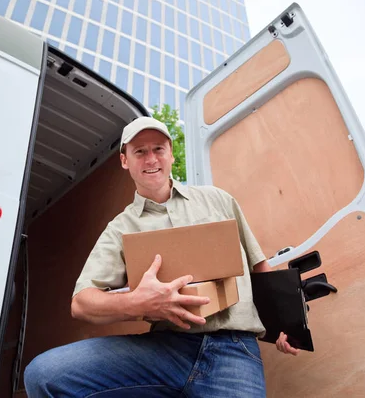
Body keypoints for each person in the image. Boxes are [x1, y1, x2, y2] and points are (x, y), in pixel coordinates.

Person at [24, 117, 298, 397]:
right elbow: (81, 304)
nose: (150, 158)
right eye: (140, 151)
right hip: (163, 351)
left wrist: (282, 325)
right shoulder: (121, 228)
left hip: (233, 350)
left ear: (171, 153)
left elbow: (258, 265)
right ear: (124, 160)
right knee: (44, 374)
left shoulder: (217, 199)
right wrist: (136, 302)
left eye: (158, 149)